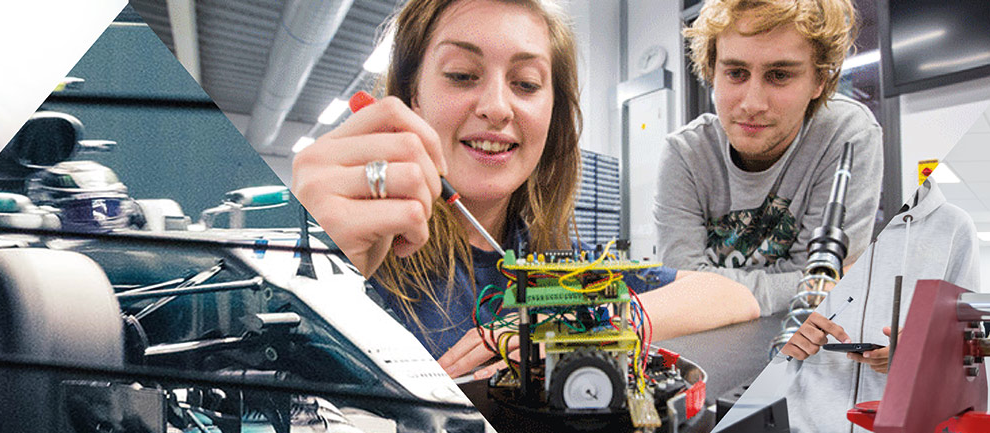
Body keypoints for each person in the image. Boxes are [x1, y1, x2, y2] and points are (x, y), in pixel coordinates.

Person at [291, 0, 759, 379]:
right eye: (461, 74)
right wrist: (312, 269)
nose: (497, 107)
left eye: (526, 83)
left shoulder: (561, 267)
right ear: (413, 96)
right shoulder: (362, 260)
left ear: (553, 114)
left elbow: (733, 296)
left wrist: (574, 328)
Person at [655, 0, 882, 316]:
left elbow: (826, 288)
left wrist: (709, 291)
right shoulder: (685, 154)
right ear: (711, 72)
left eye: (778, 75)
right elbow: (678, 285)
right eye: (736, 73)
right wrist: (800, 284)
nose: (752, 103)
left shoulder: (846, 136)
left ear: (819, 81)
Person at [771, 182, 979, 433]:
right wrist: (788, 333)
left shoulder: (954, 226)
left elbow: (966, 341)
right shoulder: (819, 216)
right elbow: (771, 314)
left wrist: (920, 350)